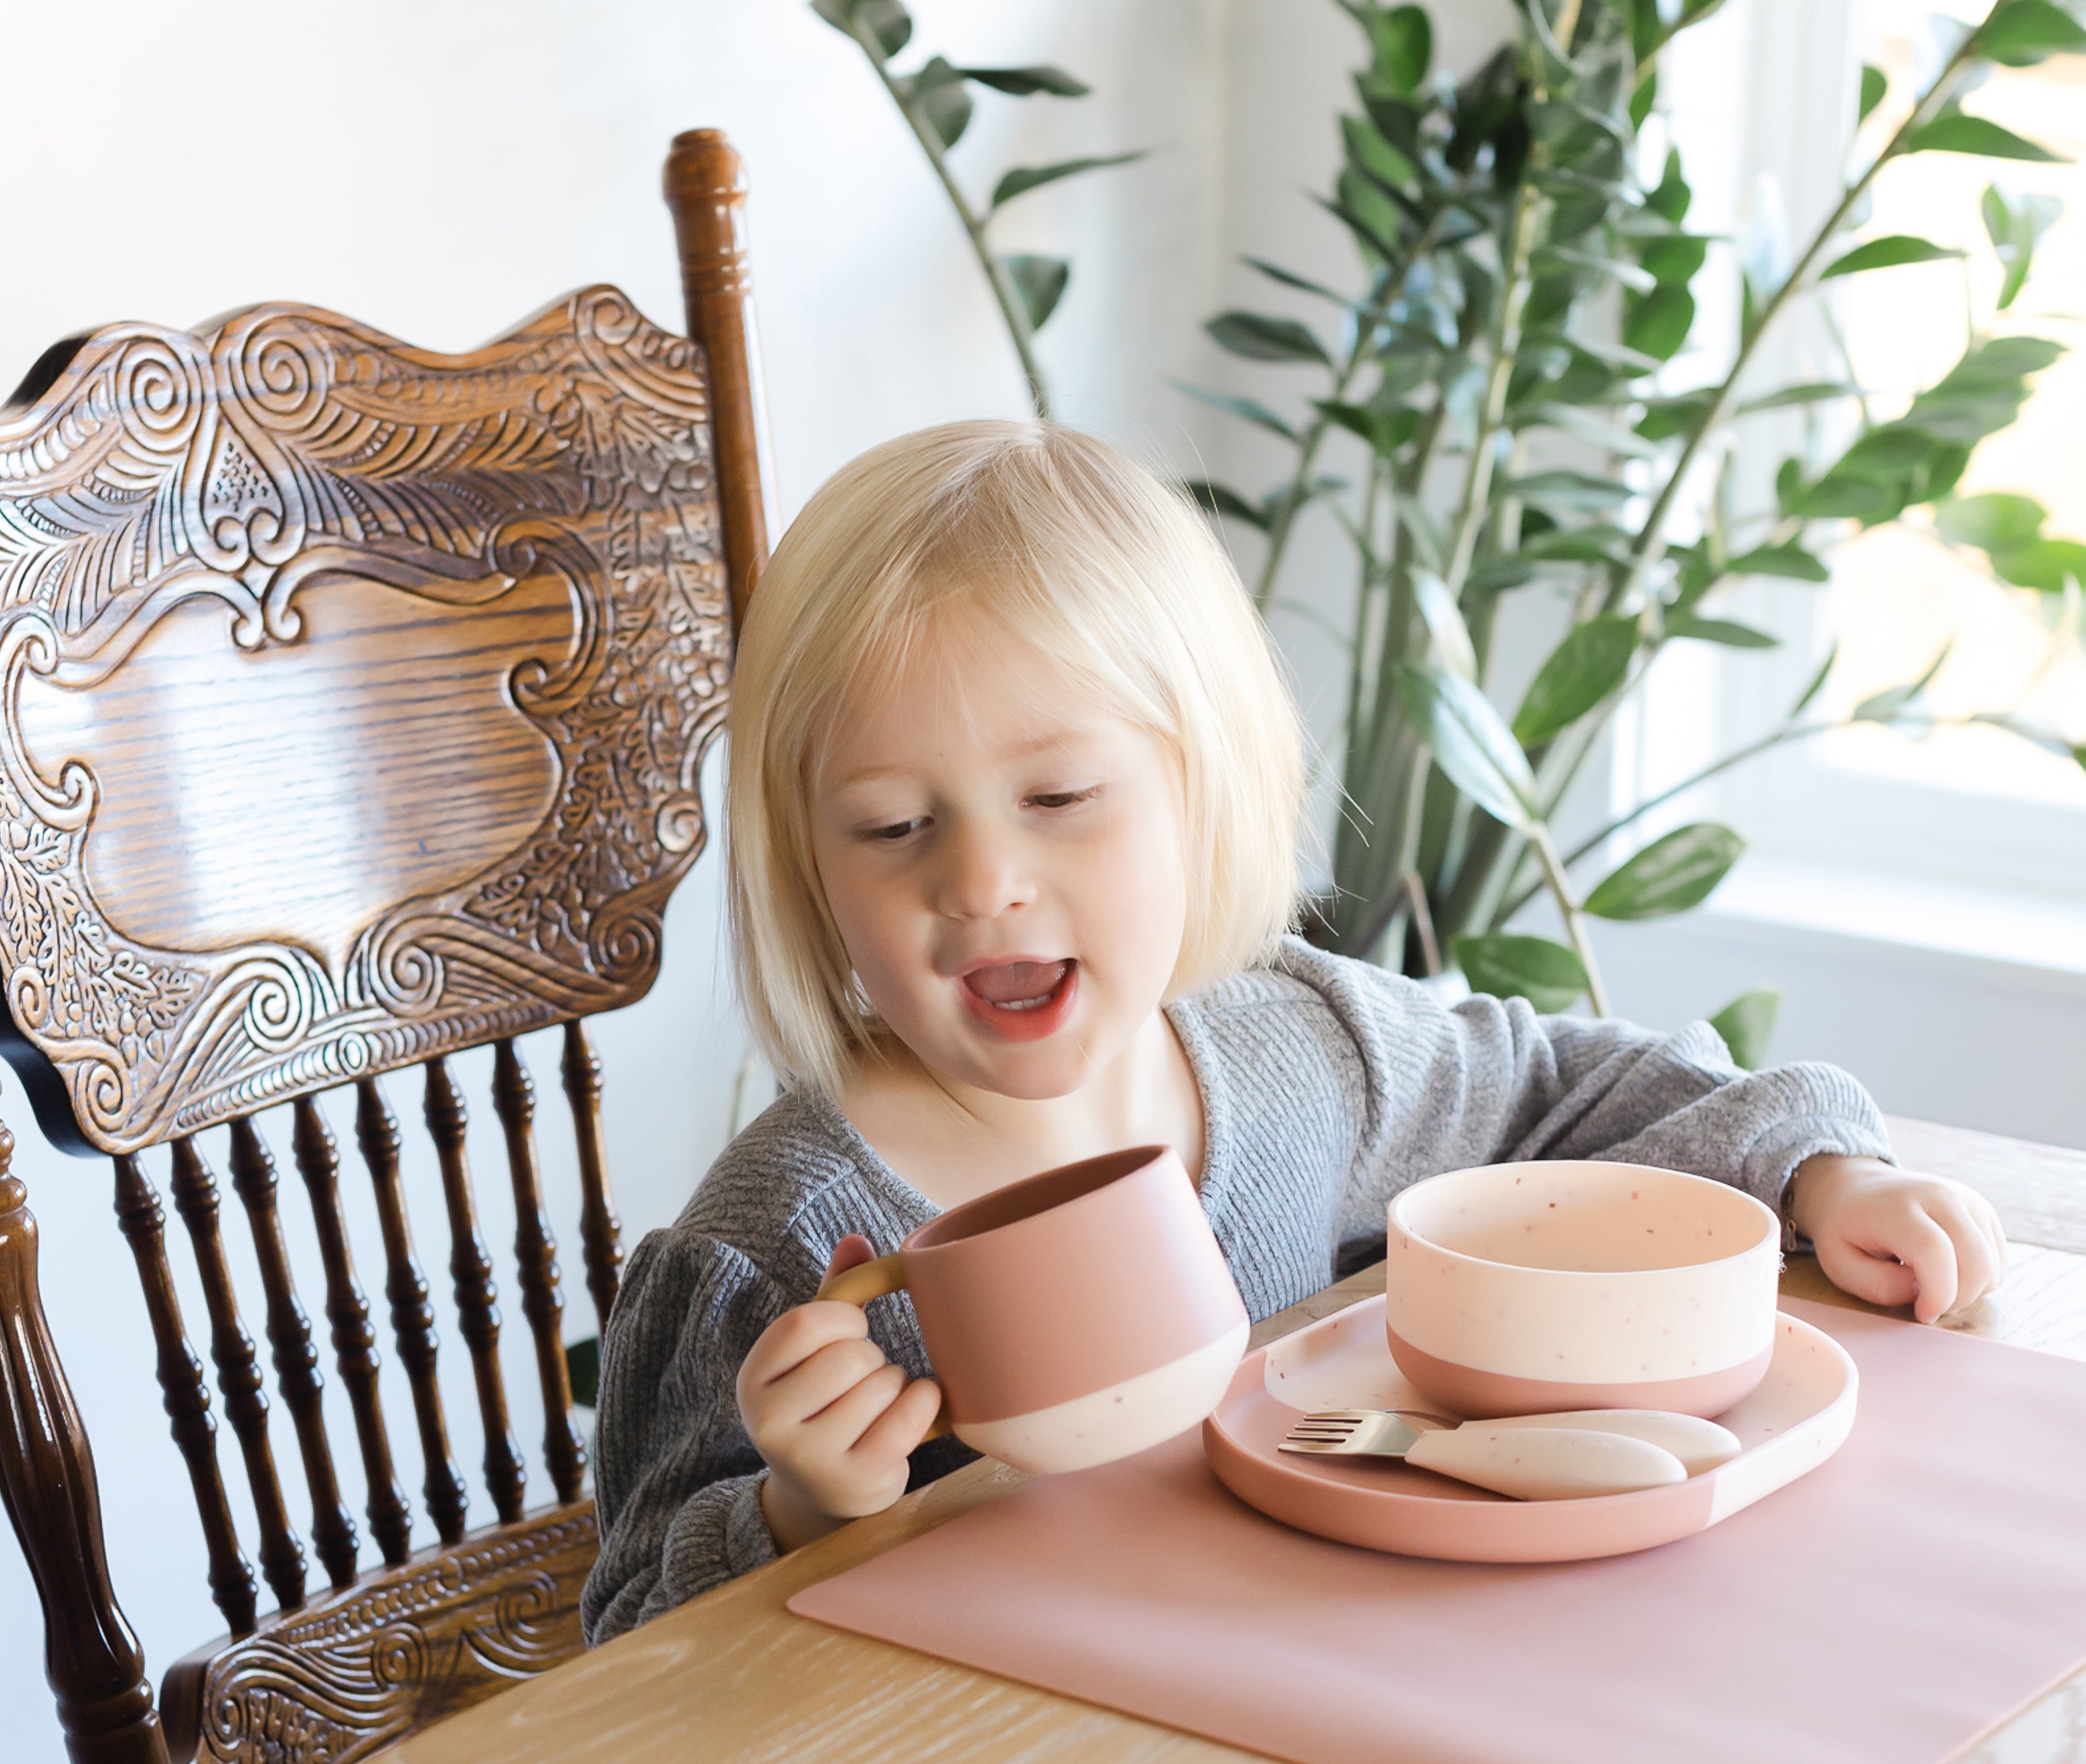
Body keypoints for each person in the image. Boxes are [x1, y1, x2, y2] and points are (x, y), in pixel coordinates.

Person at [581, 420, 2005, 1642]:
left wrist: (1824, 1169)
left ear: (1202, 793)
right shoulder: (768, 1250)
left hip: (1302, 1712)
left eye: (1061, 797)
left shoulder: (1298, 1058)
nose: (981, 882)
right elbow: (625, 1643)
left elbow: (1574, 1092)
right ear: (811, 870)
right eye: (893, 827)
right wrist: (792, 1507)